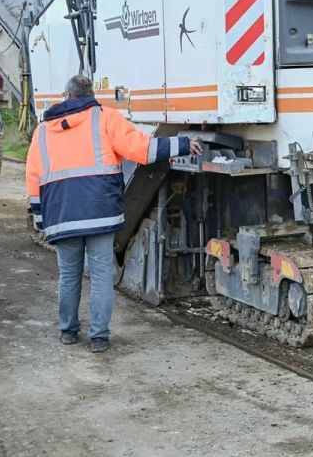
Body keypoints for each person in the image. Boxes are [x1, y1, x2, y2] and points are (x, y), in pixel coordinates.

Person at [25, 75, 202, 353]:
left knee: (69, 275)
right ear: (90, 94)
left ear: (66, 96)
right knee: (100, 275)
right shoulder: (105, 118)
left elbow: (33, 179)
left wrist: (40, 219)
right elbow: (141, 149)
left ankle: (68, 331)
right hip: (100, 215)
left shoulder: (42, 131)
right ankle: (99, 337)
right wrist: (182, 144)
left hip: (62, 217)